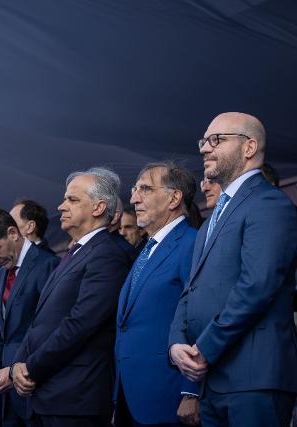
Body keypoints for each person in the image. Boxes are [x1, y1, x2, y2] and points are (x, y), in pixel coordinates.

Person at [169, 112, 297, 426]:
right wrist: (176, 342)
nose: (204, 148)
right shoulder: (211, 220)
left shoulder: (269, 203)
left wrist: (205, 347)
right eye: (204, 141)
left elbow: (257, 286)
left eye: (216, 140)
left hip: (254, 378)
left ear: (249, 147)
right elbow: (191, 289)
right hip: (213, 380)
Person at [12, 167, 130, 427]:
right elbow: (41, 320)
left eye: (72, 200)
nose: (61, 206)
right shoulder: (76, 252)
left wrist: (31, 367)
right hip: (49, 394)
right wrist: (17, 366)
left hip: (74, 398)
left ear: (99, 208)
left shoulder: (107, 254)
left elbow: (80, 323)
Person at [114, 162, 199, 427]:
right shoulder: (147, 250)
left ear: (174, 197)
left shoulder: (192, 243)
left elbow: (198, 316)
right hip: (131, 395)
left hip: (170, 395)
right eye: (134, 189)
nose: (133, 198)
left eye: (145, 189)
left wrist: (191, 390)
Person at [0, 207, 59, 427]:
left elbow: (48, 330)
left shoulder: (48, 265)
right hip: (6, 396)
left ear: (13, 233)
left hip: (35, 388)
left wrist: (17, 368)